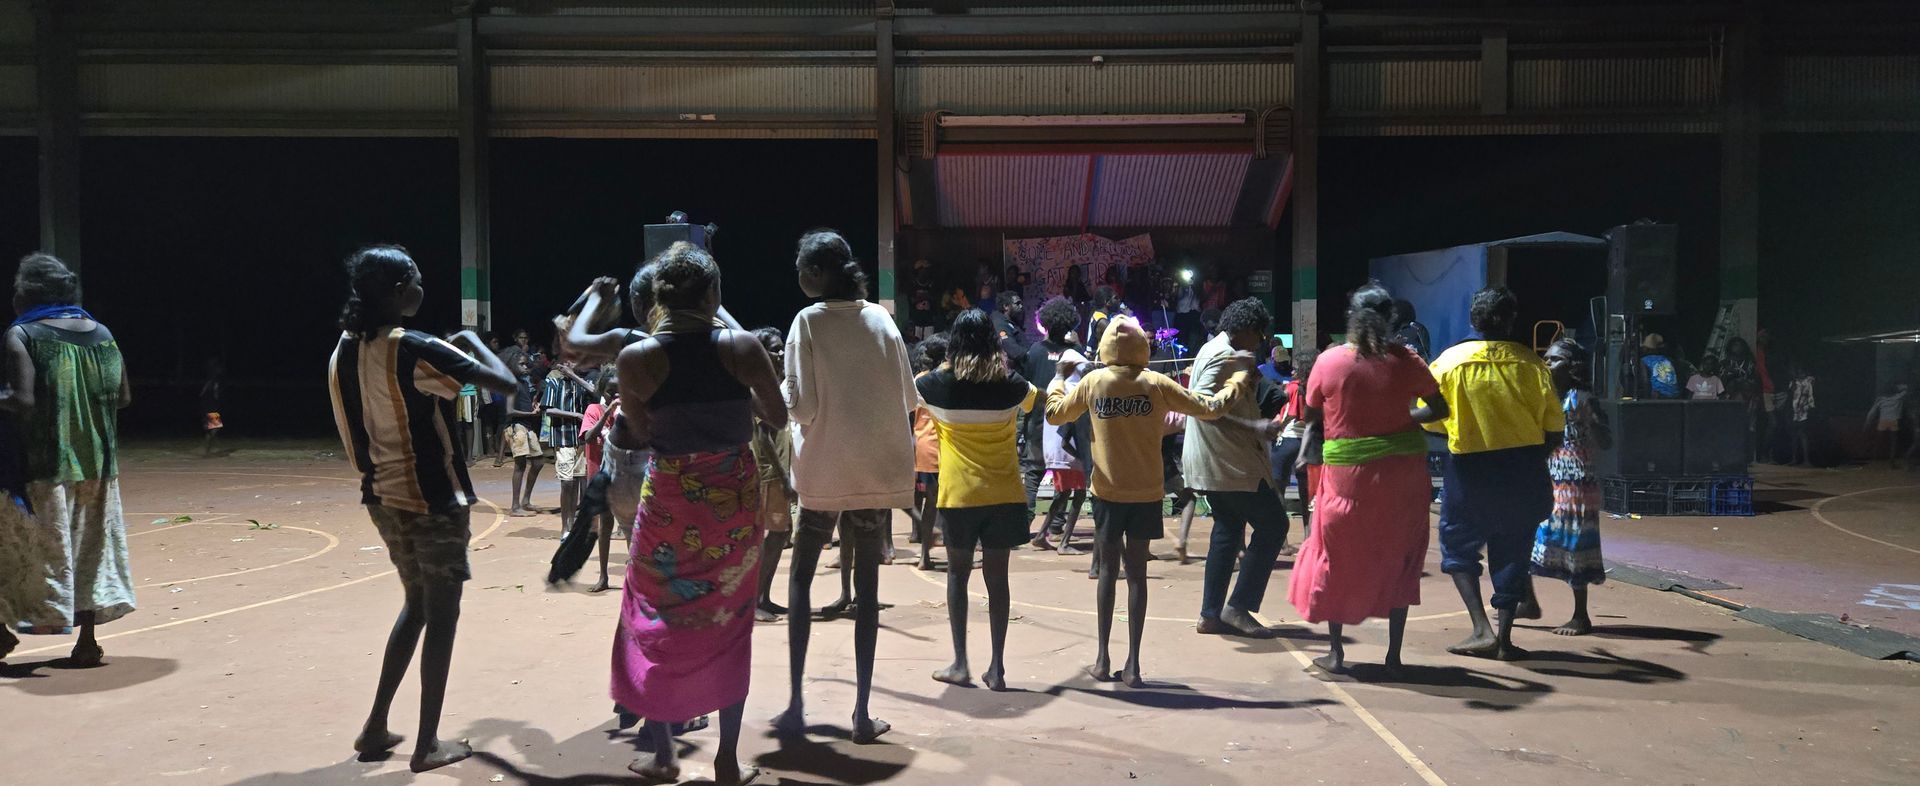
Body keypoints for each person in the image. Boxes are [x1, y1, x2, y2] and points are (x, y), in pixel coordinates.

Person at [326, 246, 516, 772]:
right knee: (442, 617)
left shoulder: (343, 349)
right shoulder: (414, 347)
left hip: (382, 498)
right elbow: (506, 384)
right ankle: (427, 743)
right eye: (415, 280)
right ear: (396, 291)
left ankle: (376, 726)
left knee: (416, 604)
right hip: (434, 501)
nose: (421, 288)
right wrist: (472, 343)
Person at [610, 242, 784, 785]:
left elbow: (641, 431)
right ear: (713, 294)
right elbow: (777, 416)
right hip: (733, 501)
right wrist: (735, 398)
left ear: (659, 299)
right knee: (731, 619)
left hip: (669, 499)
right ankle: (726, 760)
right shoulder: (742, 346)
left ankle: (664, 755)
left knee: (653, 614)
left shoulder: (636, 358)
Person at [1048, 315, 1250, 686]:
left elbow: (1054, 413)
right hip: (1146, 493)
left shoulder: (1094, 381)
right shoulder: (1156, 383)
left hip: (1107, 493)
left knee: (1107, 574)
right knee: (1137, 576)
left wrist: (1059, 378)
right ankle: (1134, 665)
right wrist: (1238, 376)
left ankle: (1102, 659)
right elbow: (1210, 408)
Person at [775, 229, 917, 744]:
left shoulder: (807, 322)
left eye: (801, 269)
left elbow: (802, 407)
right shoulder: (881, 319)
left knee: (801, 578)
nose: (798, 276)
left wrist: (781, 388)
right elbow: (908, 397)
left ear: (817, 273)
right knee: (868, 592)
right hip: (874, 471)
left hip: (824, 470)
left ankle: (795, 703)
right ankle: (861, 713)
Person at [1287, 285, 1448, 675]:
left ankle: (1336, 653)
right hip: (1403, 477)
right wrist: (1402, 421)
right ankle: (1393, 657)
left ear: (1351, 318)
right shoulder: (1407, 360)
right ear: (1391, 318)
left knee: (1337, 557)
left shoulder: (1329, 362)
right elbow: (1439, 409)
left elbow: (1313, 417)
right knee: (1399, 557)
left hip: (1347, 479)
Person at [0, 253, 135, 667]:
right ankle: (87, 643)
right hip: (98, 466)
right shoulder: (103, 334)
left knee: (15, 548)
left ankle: (1, 634)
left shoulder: (23, 334)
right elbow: (123, 397)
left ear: (28, 294)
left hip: (42, 467)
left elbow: (22, 401)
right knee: (89, 550)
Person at [1426, 286, 1562, 661]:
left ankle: (1480, 628)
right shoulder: (1532, 364)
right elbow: (1554, 429)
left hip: (1469, 469)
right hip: (1524, 468)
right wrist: (1530, 457)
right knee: (1514, 549)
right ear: (1511, 319)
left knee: (1458, 547)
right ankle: (1504, 637)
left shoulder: (1448, 363)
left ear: (1473, 319)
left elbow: (1431, 421)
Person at [916, 309, 1036, 691]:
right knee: (998, 579)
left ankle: (960, 663)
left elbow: (912, 390)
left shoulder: (934, 384)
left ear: (954, 343)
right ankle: (997, 668)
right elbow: (1035, 401)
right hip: (1004, 493)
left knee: (958, 575)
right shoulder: (1012, 384)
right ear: (993, 342)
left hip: (959, 496)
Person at [1182, 298, 1289, 638]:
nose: (1260, 342)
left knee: (1227, 531)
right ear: (1246, 330)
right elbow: (1202, 406)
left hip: (1219, 461)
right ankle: (1237, 607)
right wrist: (1254, 426)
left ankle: (1210, 614)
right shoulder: (1222, 355)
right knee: (1275, 525)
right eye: (1259, 335)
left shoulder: (1220, 349)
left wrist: (1251, 380)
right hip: (1228, 461)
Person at [1532, 338, 1611, 637]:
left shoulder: (1580, 397)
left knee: (1575, 543)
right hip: (1552, 475)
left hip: (1576, 482)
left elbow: (1606, 440)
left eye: (1555, 360)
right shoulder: (1549, 394)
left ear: (1573, 367)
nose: (1547, 363)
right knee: (1529, 535)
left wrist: (1596, 423)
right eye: (1547, 358)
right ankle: (1527, 599)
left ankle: (1580, 616)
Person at [1022, 297, 1083, 539]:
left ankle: (1024, 523)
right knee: (1064, 473)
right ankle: (1056, 523)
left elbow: (1027, 384)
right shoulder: (1074, 353)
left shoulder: (1035, 351)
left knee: (1034, 472)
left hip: (1038, 418)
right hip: (1065, 422)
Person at [750, 326, 797, 620]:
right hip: (766, 472)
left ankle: (763, 596)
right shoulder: (759, 386)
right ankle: (754, 600)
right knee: (769, 535)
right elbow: (763, 435)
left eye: (781, 349)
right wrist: (783, 476)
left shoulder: (775, 384)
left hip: (777, 471)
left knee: (780, 534)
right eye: (774, 349)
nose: (780, 354)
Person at [910, 333, 950, 571]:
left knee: (930, 504)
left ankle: (924, 555)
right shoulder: (943, 379)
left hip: (923, 445)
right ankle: (947, 551)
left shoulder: (918, 379)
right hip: (941, 446)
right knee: (943, 503)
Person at [541, 357, 593, 535]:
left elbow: (595, 391)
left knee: (578, 481)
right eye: (569, 361)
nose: (572, 364)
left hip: (581, 439)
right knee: (567, 482)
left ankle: (573, 524)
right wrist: (575, 415)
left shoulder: (582, 384)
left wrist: (574, 376)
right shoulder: (554, 383)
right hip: (562, 438)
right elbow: (548, 409)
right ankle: (565, 526)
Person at [1271, 347, 1319, 534]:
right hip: (1309, 443)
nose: (1292, 370)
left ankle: (1281, 538)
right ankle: (1308, 534)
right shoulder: (1317, 386)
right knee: (1306, 494)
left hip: (1288, 439)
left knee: (1279, 490)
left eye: (1296, 367)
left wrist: (1279, 428)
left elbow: (1291, 414)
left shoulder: (1292, 387)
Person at [503, 353, 547, 516]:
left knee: (538, 461)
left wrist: (532, 405)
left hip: (525, 426)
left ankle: (525, 501)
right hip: (516, 426)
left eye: (526, 364)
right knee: (520, 465)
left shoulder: (522, 383)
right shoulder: (512, 384)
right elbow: (509, 411)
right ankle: (515, 507)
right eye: (521, 364)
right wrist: (530, 414)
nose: (525, 367)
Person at [1865, 384, 1908, 469]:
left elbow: (1872, 411)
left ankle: (1873, 460)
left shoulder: (1880, 399)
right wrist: (1899, 386)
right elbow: (1906, 389)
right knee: (1893, 443)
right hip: (1893, 421)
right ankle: (1892, 462)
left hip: (1883, 421)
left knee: (1878, 442)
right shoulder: (1898, 397)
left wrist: (1868, 421)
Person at [1789, 364, 1817, 466]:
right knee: (1795, 436)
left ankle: (1806, 460)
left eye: (1802, 372)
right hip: (1795, 411)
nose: (1800, 374)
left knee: (1803, 435)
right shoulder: (1794, 382)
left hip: (1804, 410)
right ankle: (1794, 459)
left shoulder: (1808, 382)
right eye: (1799, 372)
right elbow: (1792, 391)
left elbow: (1810, 396)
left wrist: (1808, 407)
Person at [1640, 334, 1680, 399]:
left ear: (1646, 348)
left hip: (1658, 395)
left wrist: (1646, 398)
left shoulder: (1644, 360)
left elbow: (1645, 381)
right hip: (1674, 395)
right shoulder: (1669, 360)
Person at [200, 357, 225, 456]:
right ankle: (207, 450)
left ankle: (207, 449)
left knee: (211, 429)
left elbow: (202, 393)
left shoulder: (209, 380)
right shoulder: (214, 380)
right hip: (211, 406)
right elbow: (215, 394)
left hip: (206, 406)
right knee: (215, 428)